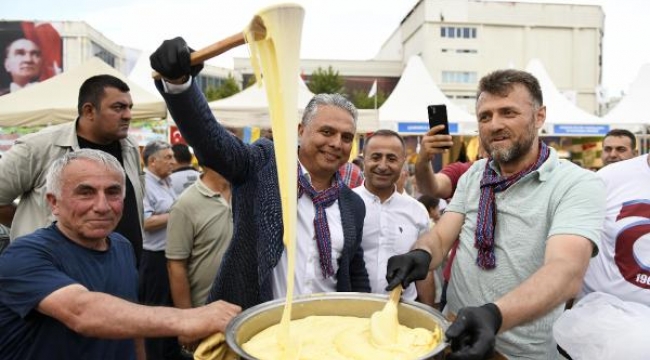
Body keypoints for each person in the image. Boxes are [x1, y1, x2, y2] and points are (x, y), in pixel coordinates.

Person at [385, 69, 606, 359]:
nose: (494, 124)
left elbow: (565, 271)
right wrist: (421, 254)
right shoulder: (475, 175)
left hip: (522, 353)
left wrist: (494, 316)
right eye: (485, 116)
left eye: (508, 112)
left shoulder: (577, 184)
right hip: (454, 336)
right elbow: (441, 237)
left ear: (539, 117)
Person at [150, 37, 369, 311]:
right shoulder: (264, 163)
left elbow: (354, 269)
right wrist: (180, 84)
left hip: (325, 337)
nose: (337, 143)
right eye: (327, 132)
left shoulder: (353, 204)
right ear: (301, 131)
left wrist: (363, 321)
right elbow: (212, 143)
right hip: (257, 333)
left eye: (346, 137)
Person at [0, 149, 241, 360]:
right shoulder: (23, 255)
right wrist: (190, 319)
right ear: (54, 203)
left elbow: (129, 319)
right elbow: (81, 311)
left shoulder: (121, 246)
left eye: (113, 192)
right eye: (85, 193)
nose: (102, 206)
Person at [0, 74, 145, 263]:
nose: (128, 115)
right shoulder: (39, 147)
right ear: (89, 111)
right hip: (56, 273)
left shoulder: (130, 147)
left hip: (122, 269)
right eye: (118, 107)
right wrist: (30, 224)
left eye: (129, 107)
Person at [353, 129, 434, 305]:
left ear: (403, 163)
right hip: (352, 313)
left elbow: (424, 270)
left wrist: (429, 312)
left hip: (402, 312)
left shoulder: (417, 211)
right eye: (375, 157)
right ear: (364, 159)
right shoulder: (343, 204)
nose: (382, 165)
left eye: (391, 159)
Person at [166, 165, 233, 352]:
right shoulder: (185, 204)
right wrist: (188, 321)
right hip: (204, 311)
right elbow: (176, 266)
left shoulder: (244, 192)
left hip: (241, 309)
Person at [139, 140, 180, 359]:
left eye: (173, 156)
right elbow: (145, 222)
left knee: (171, 307)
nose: (173, 161)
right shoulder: (144, 184)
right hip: (154, 259)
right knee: (157, 310)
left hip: (170, 255)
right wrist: (179, 214)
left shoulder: (167, 181)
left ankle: (169, 353)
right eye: (168, 157)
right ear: (152, 161)